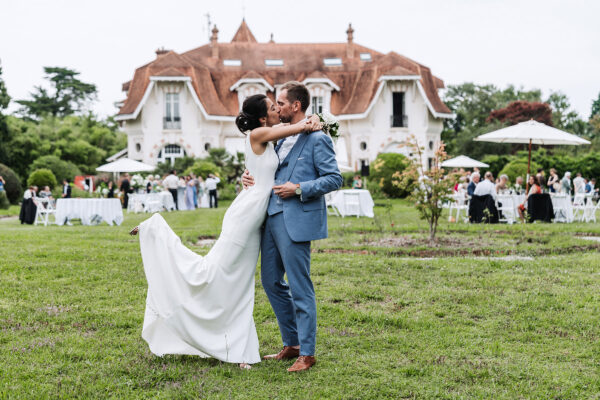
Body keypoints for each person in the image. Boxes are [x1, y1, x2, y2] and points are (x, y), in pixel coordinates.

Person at [130, 89, 329, 370]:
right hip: (249, 215)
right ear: (262, 118)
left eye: (279, 104)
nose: (277, 109)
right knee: (217, 271)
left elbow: (288, 139)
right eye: (274, 107)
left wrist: (316, 122)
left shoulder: (274, 133)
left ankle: (249, 346)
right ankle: (156, 232)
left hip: (262, 212)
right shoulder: (258, 135)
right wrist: (311, 121)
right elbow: (294, 127)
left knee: (240, 279)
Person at [242, 82, 342, 371]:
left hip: (296, 219)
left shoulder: (318, 139)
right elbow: (262, 166)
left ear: (296, 106)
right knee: (271, 282)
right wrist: (247, 177)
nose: (278, 108)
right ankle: (292, 343)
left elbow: (334, 179)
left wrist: (299, 188)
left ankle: (307, 353)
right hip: (269, 218)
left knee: (300, 286)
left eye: (281, 104)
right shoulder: (275, 138)